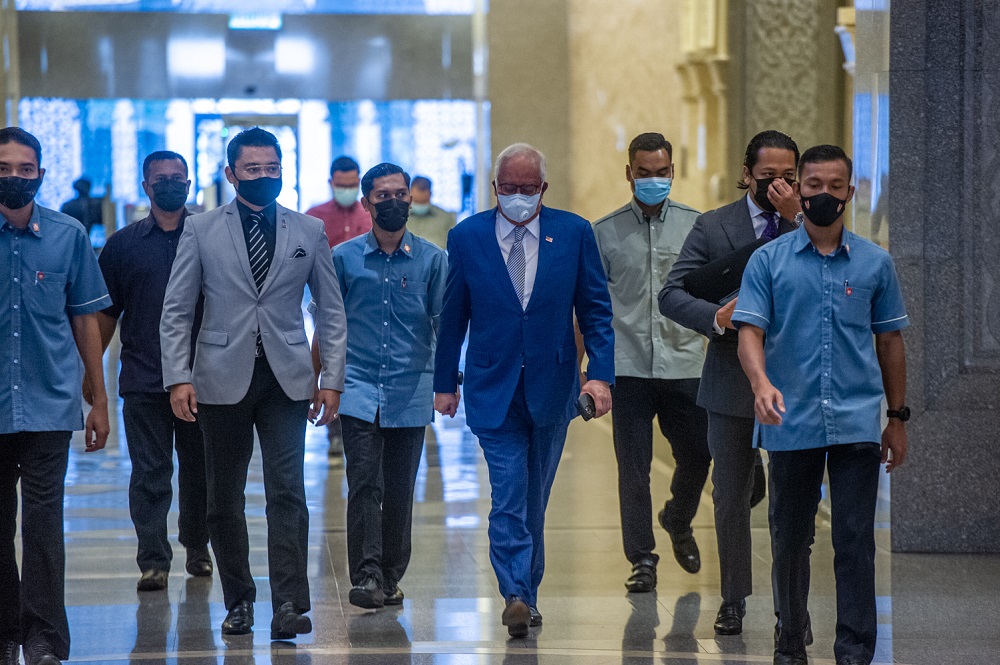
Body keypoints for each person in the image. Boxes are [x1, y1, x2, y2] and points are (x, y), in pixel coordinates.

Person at [160, 127, 347, 641]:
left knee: (288, 492)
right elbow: (177, 310)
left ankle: (289, 603)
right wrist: (178, 377)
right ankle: (239, 600)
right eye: (253, 169)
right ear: (231, 173)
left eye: (272, 168)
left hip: (288, 378)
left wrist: (331, 378)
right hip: (220, 376)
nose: (264, 176)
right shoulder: (201, 229)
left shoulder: (308, 230)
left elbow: (331, 311)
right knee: (224, 496)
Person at [733, 144, 908, 665]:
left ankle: (854, 652)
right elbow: (749, 331)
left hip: (857, 420)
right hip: (790, 419)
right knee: (790, 538)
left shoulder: (876, 263)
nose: (824, 195)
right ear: (797, 190)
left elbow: (890, 342)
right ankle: (790, 642)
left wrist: (897, 418)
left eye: (835, 186)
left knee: (854, 540)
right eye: (813, 186)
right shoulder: (768, 261)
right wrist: (760, 383)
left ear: (849, 192)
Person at [433, 143, 615, 638]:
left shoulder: (574, 233)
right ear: (495, 187)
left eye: (528, 188)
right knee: (509, 491)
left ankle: (526, 594)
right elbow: (453, 315)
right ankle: (514, 592)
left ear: (544, 188)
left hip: (552, 386)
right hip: (492, 387)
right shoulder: (467, 236)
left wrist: (599, 375)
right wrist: (444, 383)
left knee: (535, 496)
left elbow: (596, 311)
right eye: (509, 188)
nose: (518, 196)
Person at [659, 130, 801, 636]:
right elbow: (672, 294)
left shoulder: (811, 222)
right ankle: (733, 598)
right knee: (730, 494)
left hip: (794, 378)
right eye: (768, 176)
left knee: (790, 498)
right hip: (730, 378)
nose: (778, 185)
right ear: (747, 174)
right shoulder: (714, 225)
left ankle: (791, 606)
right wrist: (716, 317)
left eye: (789, 177)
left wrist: (796, 220)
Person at [0, 127, 111, 665]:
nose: (16, 177)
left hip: (49, 403)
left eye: (25, 169)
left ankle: (43, 637)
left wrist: (99, 400)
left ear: (42, 174)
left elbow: (86, 318)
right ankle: (4, 632)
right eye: (5, 168)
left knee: (44, 526)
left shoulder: (68, 236)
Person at [323, 163, 447, 610]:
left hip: (410, 390)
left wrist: (447, 384)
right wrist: (324, 382)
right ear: (367, 202)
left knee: (399, 489)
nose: (393, 202)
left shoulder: (433, 260)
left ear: (410, 199)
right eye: (382, 196)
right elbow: (329, 325)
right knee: (363, 484)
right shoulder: (343, 259)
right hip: (357, 388)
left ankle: (391, 575)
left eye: (400, 194)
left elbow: (444, 326)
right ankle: (367, 575)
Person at [592, 132, 711, 593]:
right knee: (633, 468)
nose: (653, 180)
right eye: (644, 173)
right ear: (629, 173)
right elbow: (592, 307)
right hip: (628, 367)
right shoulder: (604, 232)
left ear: (673, 172)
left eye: (662, 173)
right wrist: (590, 370)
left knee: (698, 455)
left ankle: (677, 517)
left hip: (686, 362)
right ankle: (642, 558)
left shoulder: (697, 227)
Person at [91, 150, 212, 593]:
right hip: (143, 376)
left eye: (178, 178)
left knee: (200, 471)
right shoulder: (122, 246)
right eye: (161, 178)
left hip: (202, 379)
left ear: (189, 184)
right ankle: (153, 561)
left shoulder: (209, 238)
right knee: (149, 473)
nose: (171, 184)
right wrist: (92, 374)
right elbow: (105, 314)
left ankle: (197, 546)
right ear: (146, 186)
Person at [305, 155, 371, 463]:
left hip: (363, 305)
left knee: (356, 365)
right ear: (331, 182)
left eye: (352, 184)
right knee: (330, 360)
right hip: (326, 302)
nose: (347, 189)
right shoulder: (314, 218)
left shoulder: (370, 214)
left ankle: (358, 427)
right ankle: (334, 431)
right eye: (342, 184)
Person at [406, 176, 455, 249]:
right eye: (416, 202)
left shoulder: (445, 218)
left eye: (423, 202)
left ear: (430, 194)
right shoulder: (398, 217)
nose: (419, 206)